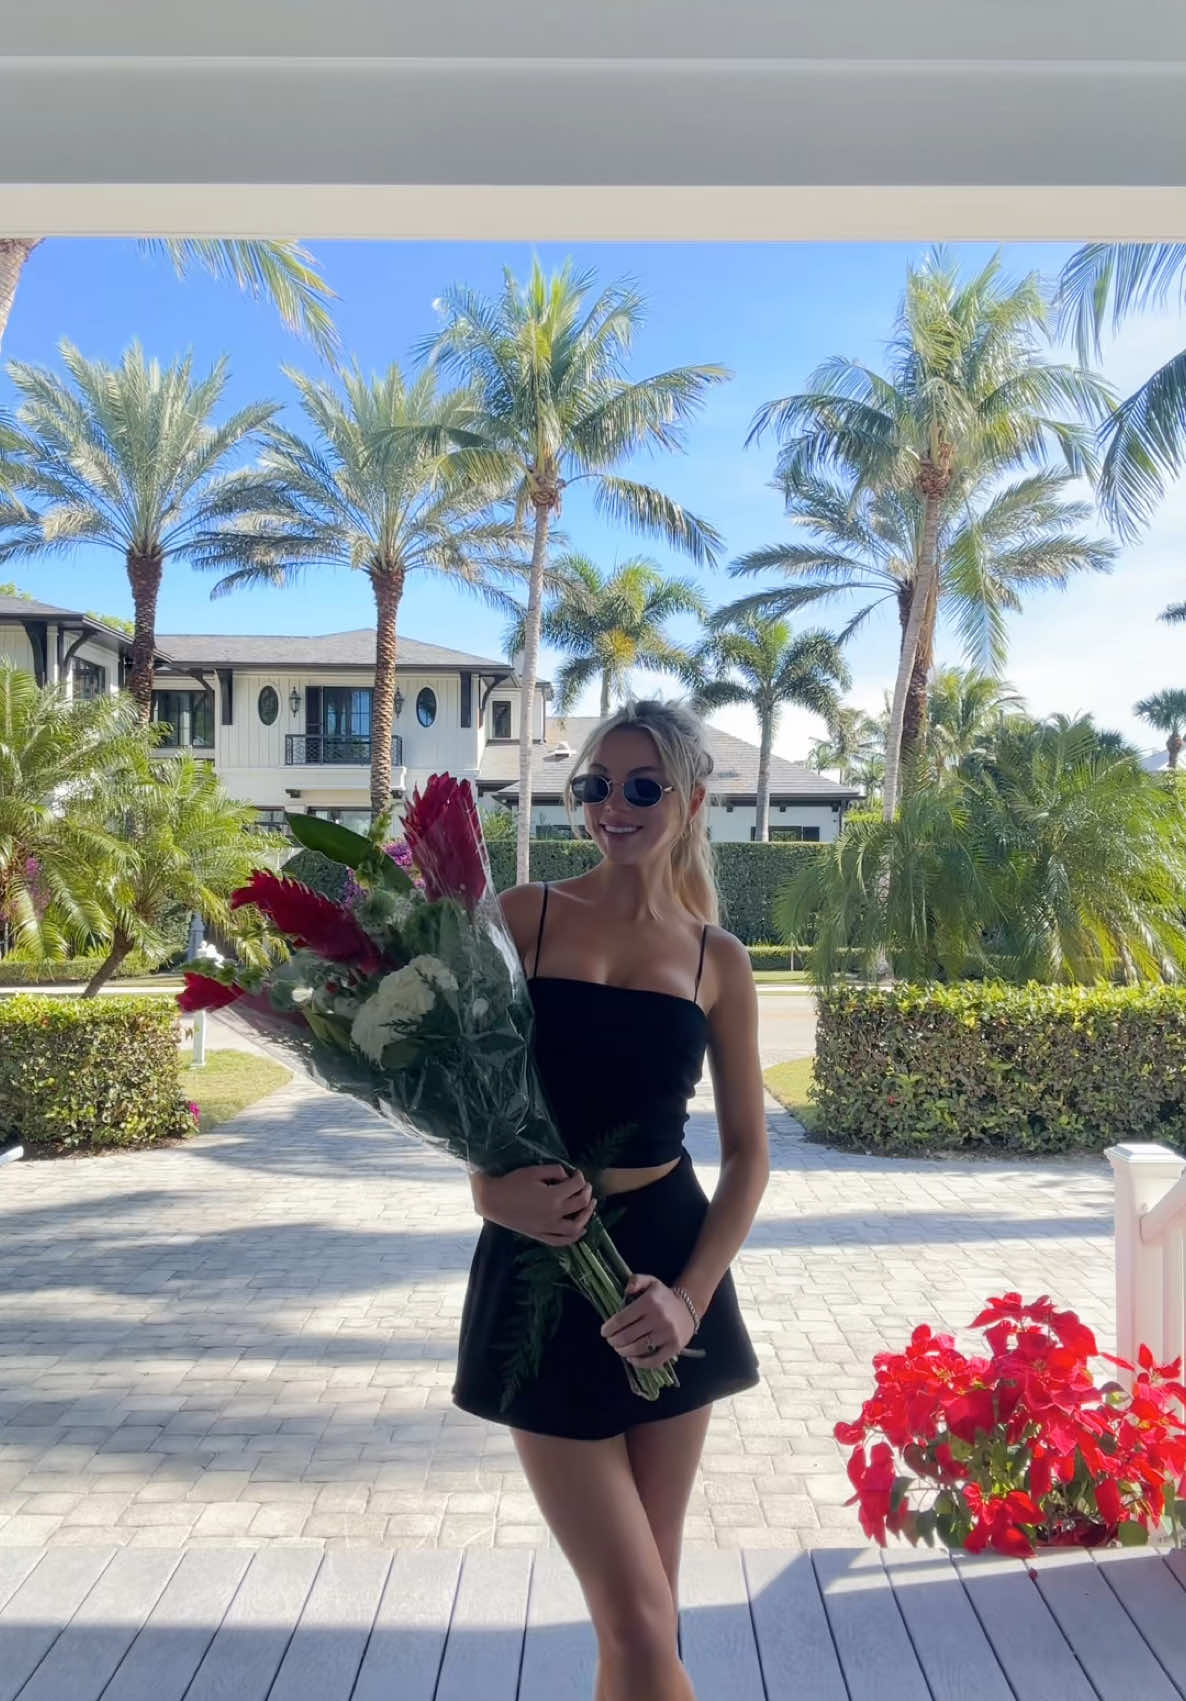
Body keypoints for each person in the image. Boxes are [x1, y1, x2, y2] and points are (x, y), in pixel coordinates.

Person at [454, 699, 769, 1701]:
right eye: (595, 785)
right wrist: (485, 1190)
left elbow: (751, 1157)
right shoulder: (520, 915)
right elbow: (465, 1094)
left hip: (665, 1274)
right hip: (541, 1268)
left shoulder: (716, 959)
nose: (614, 807)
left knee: (648, 1613)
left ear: (691, 801)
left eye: (642, 787)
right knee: (638, 1620)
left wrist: (689, 1295)